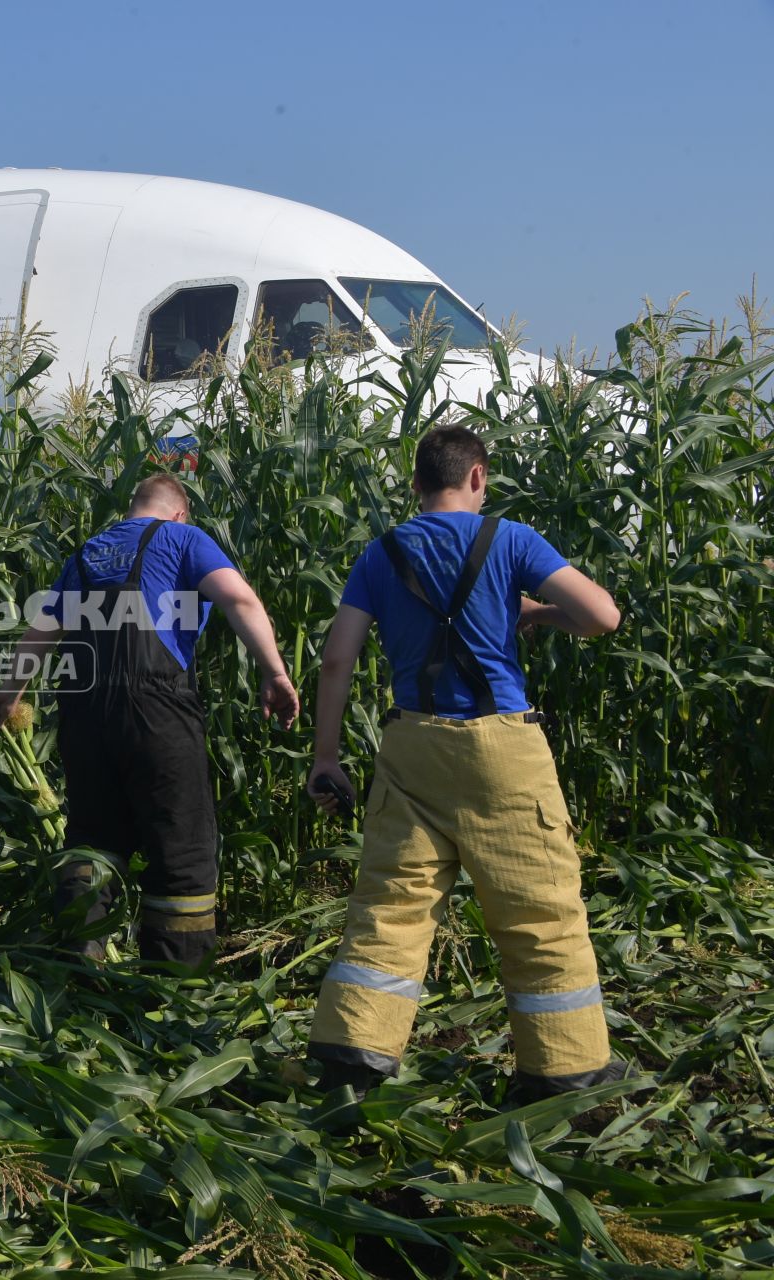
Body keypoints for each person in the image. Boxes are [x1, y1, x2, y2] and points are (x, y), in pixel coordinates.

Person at [305, 424, 629, 1101]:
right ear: (477, 477)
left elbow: (337, 658)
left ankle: (350, 1061)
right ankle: (563, 1072)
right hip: (502, 749)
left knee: (390, 909)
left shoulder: (382, 552)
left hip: (412, 747)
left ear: (419, 483)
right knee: (539, 911)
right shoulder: (509, 540)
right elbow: (602, 616)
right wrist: (534, 616)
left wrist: (327, 755)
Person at [0, 472, 300, 965]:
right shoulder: (182, 538)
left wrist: (10, 697)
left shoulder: (87, 554)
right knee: (181, 843)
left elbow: (39, 632)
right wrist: (274, 672)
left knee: (93, 838)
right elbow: (238, 598)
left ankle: (80, 960)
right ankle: (176, 984)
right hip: (156, 711)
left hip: (85, 715)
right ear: (178, 512)